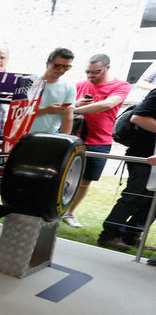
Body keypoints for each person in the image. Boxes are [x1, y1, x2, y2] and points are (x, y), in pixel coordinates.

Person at [63, 54, 132, 228]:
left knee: (86, 180)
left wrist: (74, 109)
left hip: (100, 140)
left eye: (95, 72)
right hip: (73, 137)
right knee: (62, 175)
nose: (90, 75)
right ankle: (56, 208)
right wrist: (75, 104)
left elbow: (107, 104)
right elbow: (65, 104)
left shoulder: (121, 86)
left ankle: (69, 213)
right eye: (88, 71)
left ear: (107, 68)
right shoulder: (79, 85)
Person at [96, 88, 156, 251]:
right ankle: (109, 235)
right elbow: (139, 117)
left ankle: (132, 235)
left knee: (152, 201)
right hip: (143, 155)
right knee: (134, 196)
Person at [29, 48, 75, 135]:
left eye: (66, 67)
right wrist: (46, 110)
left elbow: (68, 118)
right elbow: (20, 115)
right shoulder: (29, 83)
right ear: (47, 64)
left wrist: (64, 140)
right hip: (24, 135)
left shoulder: (69, 88)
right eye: (57, 66)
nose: (61, 70)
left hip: (51, 136)